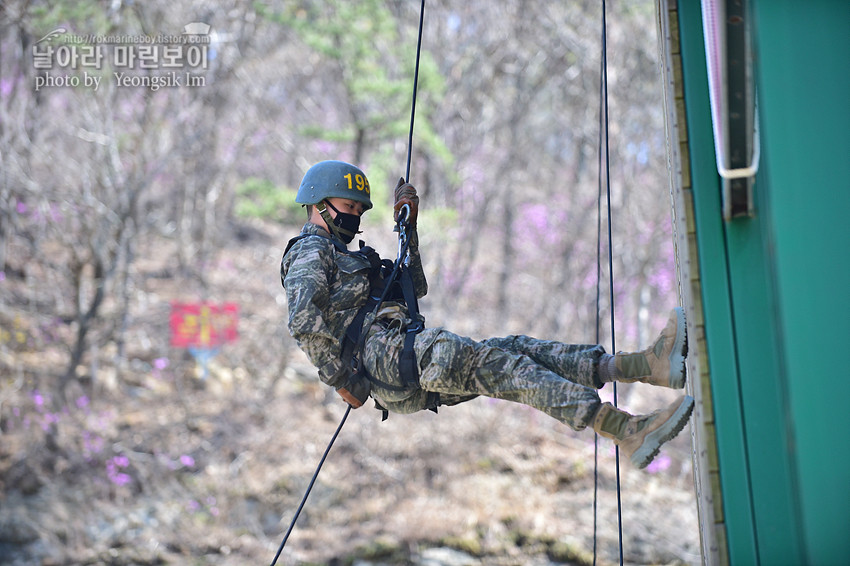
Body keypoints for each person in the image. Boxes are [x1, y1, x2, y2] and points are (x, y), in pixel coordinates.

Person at [280, 160, 694, 469]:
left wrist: (410, 230)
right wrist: (340, 379)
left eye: (360, 209)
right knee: (502, 365)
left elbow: (414, 288)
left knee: (514, 353)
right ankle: (626, 430)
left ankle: (641, 365)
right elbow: (302, 319)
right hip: (388, 358)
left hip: (401, 362)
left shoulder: (346, 257)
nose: (355, 215)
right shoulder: (310, 250)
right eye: (349, 205)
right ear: (319, 203)